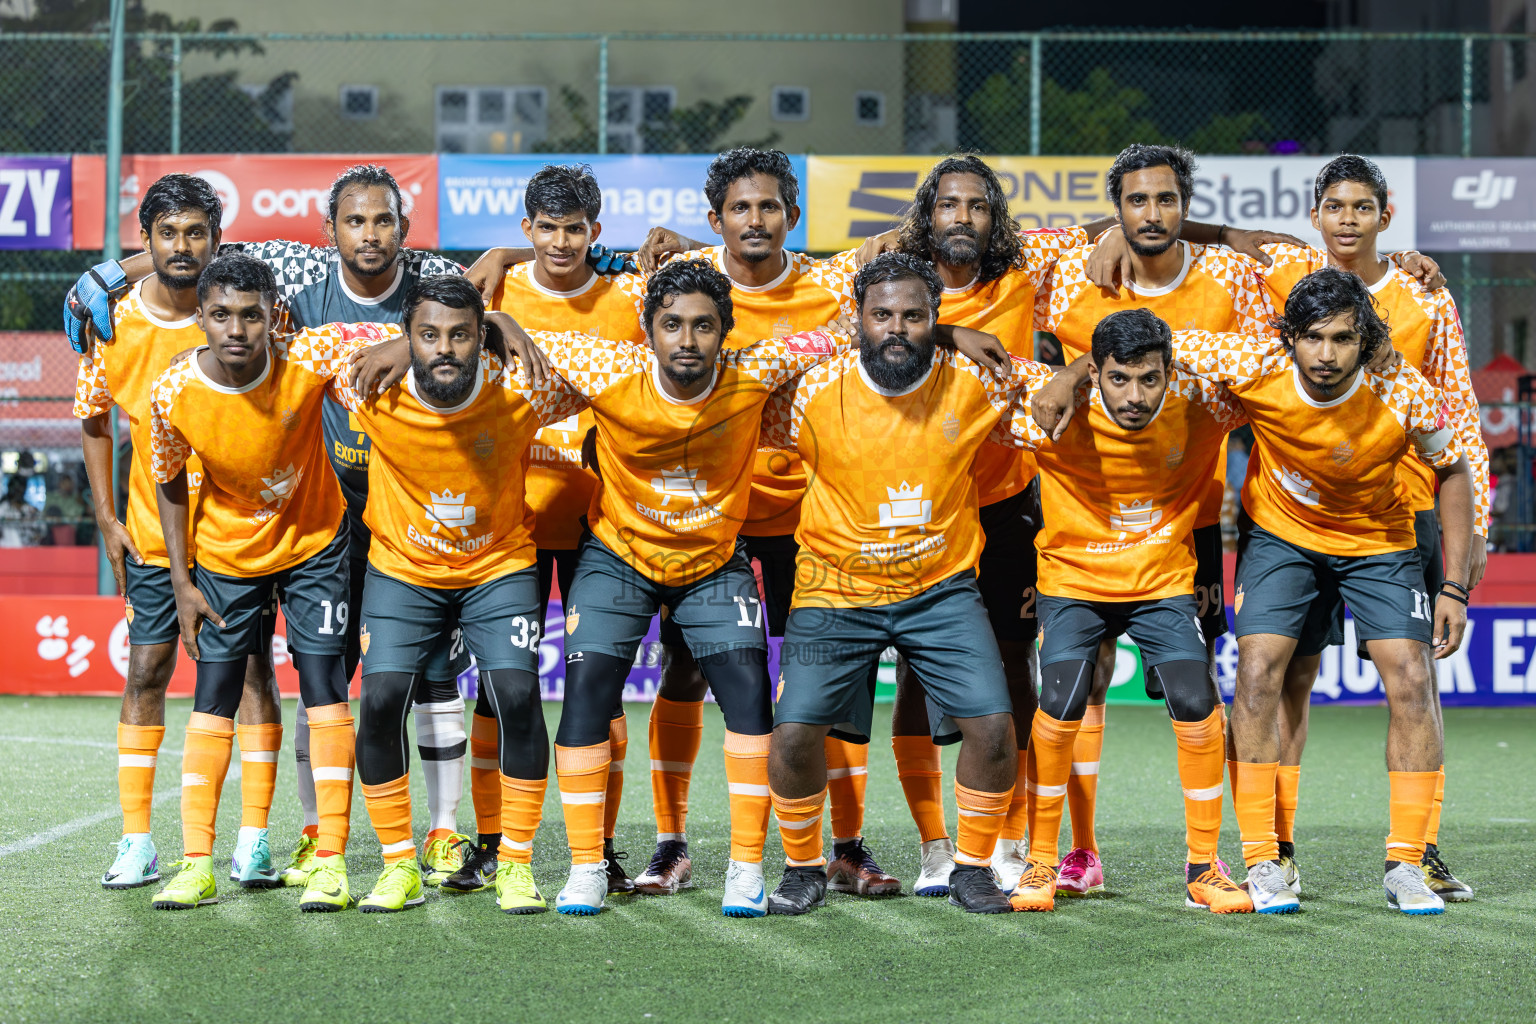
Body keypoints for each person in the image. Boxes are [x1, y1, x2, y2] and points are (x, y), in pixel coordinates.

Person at [67, 164, 476, 890]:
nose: (370, 233)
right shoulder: (172, 371)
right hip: (215, 548)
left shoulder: (392, 297)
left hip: (348, 526)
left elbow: (453, 323)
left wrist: (463, 319)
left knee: (356, 679)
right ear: (330, 230)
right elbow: (154, 467)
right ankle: (191, 853)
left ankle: (349, 848)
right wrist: (110, 270)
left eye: (383, 220)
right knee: (199, 681)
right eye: (355, 220)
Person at [531, 259, 855, 917]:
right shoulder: (606, 367)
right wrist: (501, 301)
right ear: (648, 330)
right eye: (672, 325)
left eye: (703, 327)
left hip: (713, 562)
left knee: (749, 691)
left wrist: (953, 336)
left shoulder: (753, 371)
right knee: (588, 687)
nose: (687, 340)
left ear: (725, 332)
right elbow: (507, 335)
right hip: (618, 558)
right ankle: (588, 867)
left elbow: (844, 333)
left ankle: (744, 869)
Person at [631, 148, 900, 897]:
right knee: (684, 671)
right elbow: (576, 262)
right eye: (742, 208)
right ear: (715, 218)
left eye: (771, 207)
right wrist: (503, 253)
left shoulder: (830, 284)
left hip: (814, 516)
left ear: (793, 216)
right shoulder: (677, 285)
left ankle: (844, 845)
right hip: (711, 519)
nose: (757, 220)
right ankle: (671, 844)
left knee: (833, 679)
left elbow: (928, 227)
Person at [1173, 268, 1473, 915]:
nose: (1328, 354)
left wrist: (1454, 583)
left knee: (1413, 678)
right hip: (1283, 536)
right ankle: (1262, 861)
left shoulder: (1403, 390)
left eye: (1343, 338)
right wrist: (1070, 369)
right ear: (1290, 339)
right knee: (1256, 673)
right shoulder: (1255, 360)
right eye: (1313, 338)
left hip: (1380, 540)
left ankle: (1407, 864)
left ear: (1365, 339)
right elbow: (1152, 343)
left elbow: (1453, 469)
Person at [759, 253, 1048, 916]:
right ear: (855, 318)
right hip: (834, 590)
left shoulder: (975, 382)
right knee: (794, 735)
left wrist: (1086, 373)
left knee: (996, 729)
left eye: (915, 316)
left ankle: (973, 867)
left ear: (936, 319)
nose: (897, 327)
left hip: (941, 591)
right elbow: (737, 375)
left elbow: (1059, 394)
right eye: (881, 314)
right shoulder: (810, 388)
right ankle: (805, 865)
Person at [1028, 143, 1278, 896]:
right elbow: (983, 265)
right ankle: (1074, 851)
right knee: (1076, 687)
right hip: (1080, 520)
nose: (1151, 214)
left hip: (1183, 523)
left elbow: (1282, 332)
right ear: (1115, 211)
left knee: (1193, 694)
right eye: (1135, 203)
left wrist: (1224, 235)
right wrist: (1068, 373)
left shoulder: (1230, 277)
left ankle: (1225, 856)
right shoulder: (1072, 267)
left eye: (1167, 201)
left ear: (1186, 207)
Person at [1252, 155, 1486, 902]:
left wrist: (1466, 552)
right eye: (1335, 206)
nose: (1347, 220)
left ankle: (1418, 850)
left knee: (1416, 678)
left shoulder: (1423, 294)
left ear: (1385, 215)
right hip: (1296, 513)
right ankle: (1275, 848)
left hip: (1402, 512)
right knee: (1289, 676)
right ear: (1315, 212)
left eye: (1362, 207)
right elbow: (1217, 240)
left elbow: (1459, 418)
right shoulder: (1281, 281)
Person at [326, 278, 590, 914]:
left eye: (462, 334)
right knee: (382, 699)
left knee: (518, 694)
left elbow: (598, 361)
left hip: (498, 566)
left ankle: (517, 865)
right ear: (407, 337)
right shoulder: (363, 385)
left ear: (482, 338)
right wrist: (393, 342)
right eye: (428, 335)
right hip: (402, 567)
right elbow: (302, 345)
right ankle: (397, 866)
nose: (445, 348)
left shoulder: (525, 385)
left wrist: (508, 321)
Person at [145, 253, 388, 912]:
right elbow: (168, 481)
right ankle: (197, 861)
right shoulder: (172, 391)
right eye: (220, 314)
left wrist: (494, 320)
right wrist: (181, 580)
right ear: (200, 318)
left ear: (273, 318)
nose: (236, 329)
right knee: (213, 696)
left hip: (314, 545)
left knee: (325, 690)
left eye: (251, 315)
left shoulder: (311, 355)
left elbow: (409, 328)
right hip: (225, 558)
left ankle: (331, 858)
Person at [72, 174, 282, 892]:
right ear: (148, 239)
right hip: (154, 537)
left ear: (217, 240)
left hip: (238, 534)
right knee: (147, 672)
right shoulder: (114, 321)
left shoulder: (244, 310)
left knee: (253, 674)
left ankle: (252, 841)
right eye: (168, 234)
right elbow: (93, 416)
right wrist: (105, 513)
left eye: (196, 233)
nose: (183, 247)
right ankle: (137, 842)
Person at [1004, 309, 1251, 914]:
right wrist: (1065, 375)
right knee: (1058, 700)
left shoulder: (1205, 401)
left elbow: (1281, 363)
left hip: (1162, 579)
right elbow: (958, 374)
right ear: (1096, 373)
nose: (1134, 396)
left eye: (1149, 379)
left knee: (1198, 701)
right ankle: (1041, 859)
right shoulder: (1050, 405)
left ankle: (1203, 866)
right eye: (1118, 379)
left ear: (1173, 372)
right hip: (1073, 579)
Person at [470, 163, 649, 897]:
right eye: (546, 228)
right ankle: (489, 844)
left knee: (597, 692)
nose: (562, 241)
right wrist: (496, 262)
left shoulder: (628, 298)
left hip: (599, 528)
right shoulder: (493, 290)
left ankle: (598, 847)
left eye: (576, 228)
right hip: (507, 525)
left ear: (596, 233)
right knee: (495, 691)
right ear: (526, 231)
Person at [44, 472, 90, 544]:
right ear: (59, 484)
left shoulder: (76, 499)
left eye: (69, 483)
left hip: (71, 532)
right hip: (52, 533)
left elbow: (79, 513)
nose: (67, 486)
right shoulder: (51, 498)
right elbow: (46, 514)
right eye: (65, 483)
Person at [0, 474, 44, 547]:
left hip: (29, 550)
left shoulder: (30, 509)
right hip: (7, 549)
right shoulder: (3, 508)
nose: (19, 491)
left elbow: (42, 530)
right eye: (16, 488)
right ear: (10, 488)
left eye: (21, 488)